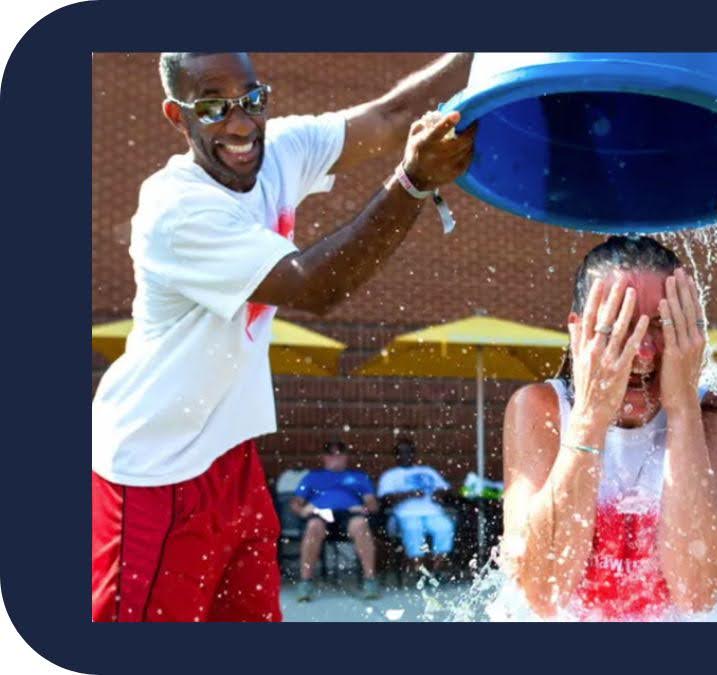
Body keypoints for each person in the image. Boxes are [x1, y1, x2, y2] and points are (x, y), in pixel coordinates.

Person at [91, 52, 475, 622]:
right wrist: (412, 183)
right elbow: (313, 285)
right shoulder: (177, 209)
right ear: (178, 117)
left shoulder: (279, 151)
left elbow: (394, 117)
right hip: (154, 471)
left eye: (252, 100)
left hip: (233, 459)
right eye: (215, 108)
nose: (242, 124)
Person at [500, 236, 717, 620]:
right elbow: (542, 591)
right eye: (620, 326)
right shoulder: (541, 410)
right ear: (578, 331)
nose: (644, 350)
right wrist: (589, 419)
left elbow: (699, 594)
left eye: (662, 326)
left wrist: (683, 410)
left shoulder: (716, 418)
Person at [290, 441, 380, 601]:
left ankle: (370, 580)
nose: (336, 458)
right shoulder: (312, 477)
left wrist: (364, 509)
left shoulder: (358, 477)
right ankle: (305, 582)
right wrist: (303, 511)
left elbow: (372, 504)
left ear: (346, 457)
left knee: (361, 525)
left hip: (349, 515)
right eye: (331, 454)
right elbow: (296, 503)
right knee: (313, 526)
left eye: (340, 454)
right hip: (320, 514)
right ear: (324, 457)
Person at [377, 438, 456, 574]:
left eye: (409, 452)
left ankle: (436, 570)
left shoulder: (427, 471)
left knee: (445, 527)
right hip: (405, 514)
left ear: (414, 454)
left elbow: (446, 489)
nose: (406, 456)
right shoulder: (390, 475)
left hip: (432, 512)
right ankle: (419, 570)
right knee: (413, 529)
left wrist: (439, 493)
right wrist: (408, 495)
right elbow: (385, 499)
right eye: (401, 453)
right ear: (396, 456)